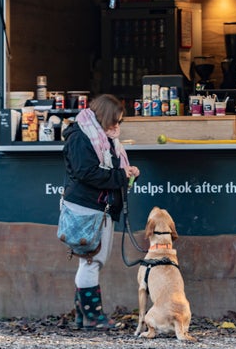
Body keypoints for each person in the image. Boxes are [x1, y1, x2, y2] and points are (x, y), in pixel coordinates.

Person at [61, 94, 140, 329]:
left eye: (120, 122)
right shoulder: (80, 138)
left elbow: (105, 170)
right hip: (88, 209)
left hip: (97, 207)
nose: (117, 126)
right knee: (91, 261)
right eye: (114, 121)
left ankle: (82, 315)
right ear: (103, 118)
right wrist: (120, 176)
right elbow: (87, 173)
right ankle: (93, 318)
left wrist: (127, 172)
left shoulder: (101, 137)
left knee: (90, 261)